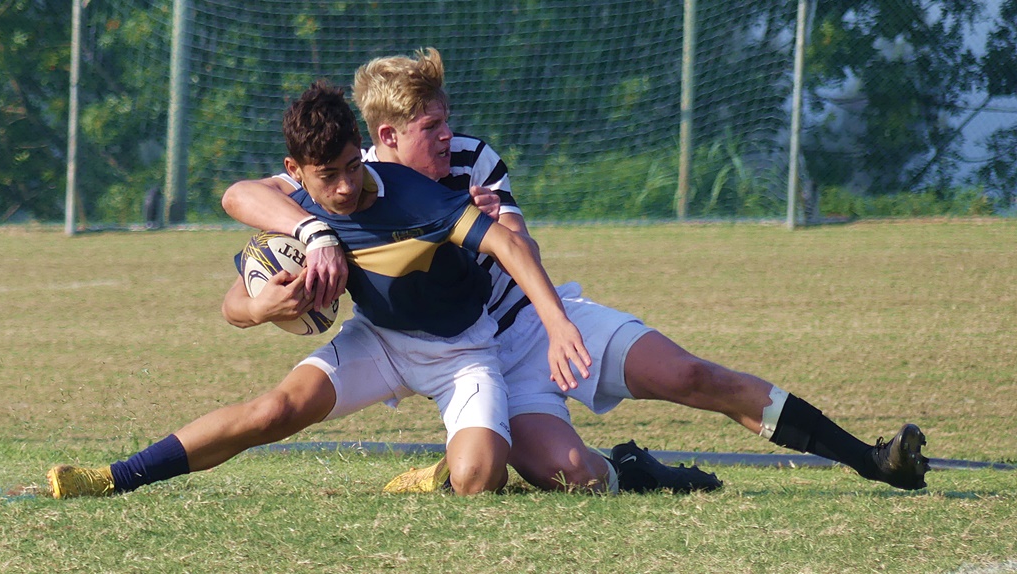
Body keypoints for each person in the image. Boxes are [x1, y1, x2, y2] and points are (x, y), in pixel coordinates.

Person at [225, 48, 931, 494]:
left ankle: (869, 459)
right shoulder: (355, 179)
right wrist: (311, 233)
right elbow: (247, 195)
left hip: (536, 324)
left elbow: (516, 237)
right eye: (433, 127)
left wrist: (492, 230)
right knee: (575, 477)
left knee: (690, 375)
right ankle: (631, 469)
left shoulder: (474, 160)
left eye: (448, 122)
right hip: (470, 359)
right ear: (388, 137)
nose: (449, 135)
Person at [46, 81, 593, 499]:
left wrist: (558, 323)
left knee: (478, 480)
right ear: (295, 171)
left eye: (353, 166)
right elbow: (233, 306)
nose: (346, 186)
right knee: (273, 412)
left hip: (463, 351)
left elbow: (512, 245)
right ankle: (112, 477)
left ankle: (441, 473)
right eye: (328, 174)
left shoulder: (414, 196)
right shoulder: (298, 215)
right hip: (379, 341)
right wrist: (264, 305)